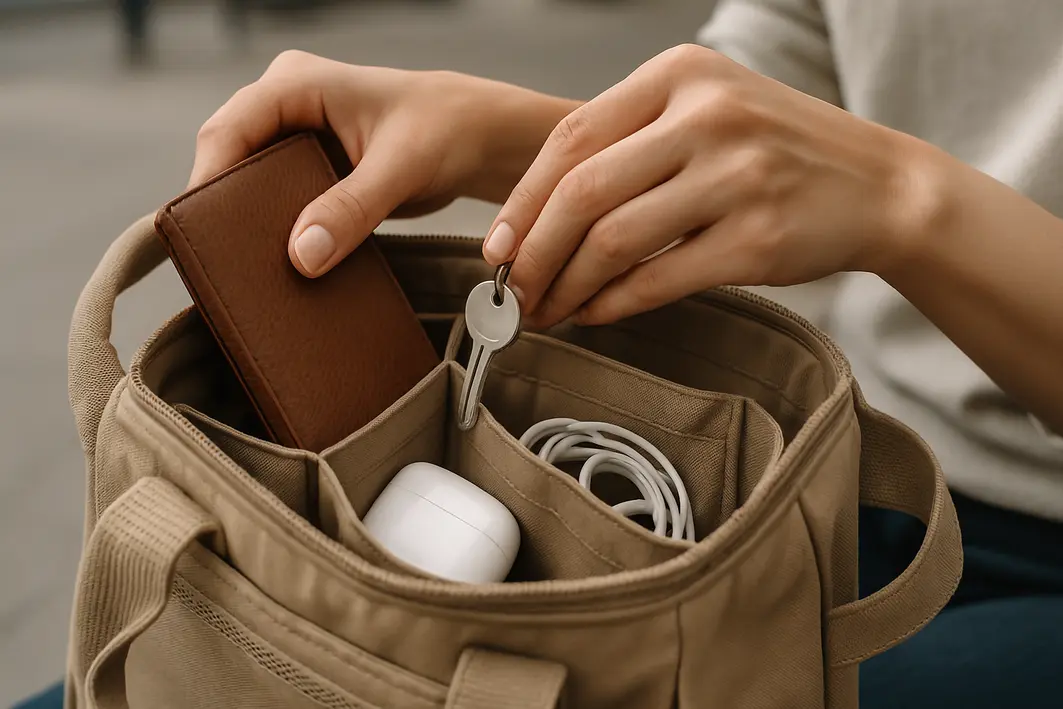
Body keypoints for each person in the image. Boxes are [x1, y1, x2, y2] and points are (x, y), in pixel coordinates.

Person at [17, 1, 1063, 707]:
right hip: (835, 508)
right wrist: (505, 136)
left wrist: (905, 204)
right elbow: (773, 74)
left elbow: (851, 165)